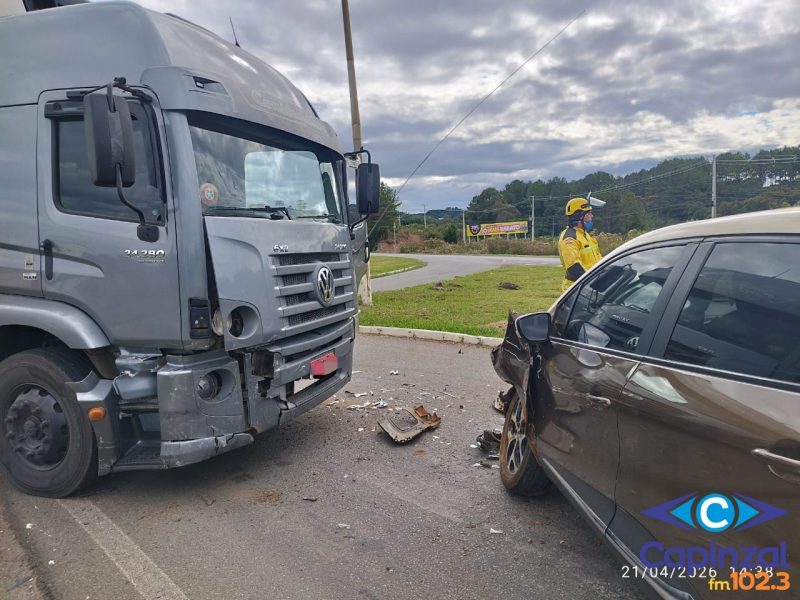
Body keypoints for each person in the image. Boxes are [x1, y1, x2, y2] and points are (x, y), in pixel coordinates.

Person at [558, 197, 602, 291]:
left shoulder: (584, 235)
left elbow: (598, 260)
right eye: (589, 213)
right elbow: (574, 268)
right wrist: (593, 283)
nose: (592, 216)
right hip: (576, 289)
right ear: (579, 215)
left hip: (588, 286)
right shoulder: (570, 238)